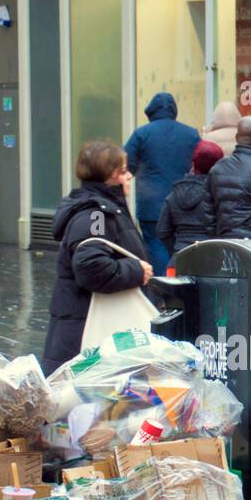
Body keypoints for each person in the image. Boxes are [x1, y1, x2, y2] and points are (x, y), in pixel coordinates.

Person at [42, 140, 154, 376]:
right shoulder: (95, 214)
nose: (130, 176)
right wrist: (136, 271)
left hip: (86, 325)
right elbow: (91, 266)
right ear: (110, 176)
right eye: (123, 171)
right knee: (82, 400)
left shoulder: (103, 209)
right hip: (86, 330)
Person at [123, 92, 201, 276]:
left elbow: (125, 166)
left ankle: (162, 290)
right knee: (182, 247)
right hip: (185, 204)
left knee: (156, 246)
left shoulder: (141, 134)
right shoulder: (191, 134)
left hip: (152, 206)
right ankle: (182, 288)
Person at [156, 139, 222, 259]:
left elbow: (162, 230)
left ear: (193, 164)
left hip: (180, 255)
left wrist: (176, 249)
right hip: (212, 256)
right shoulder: (218, 194)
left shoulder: (174, 194)